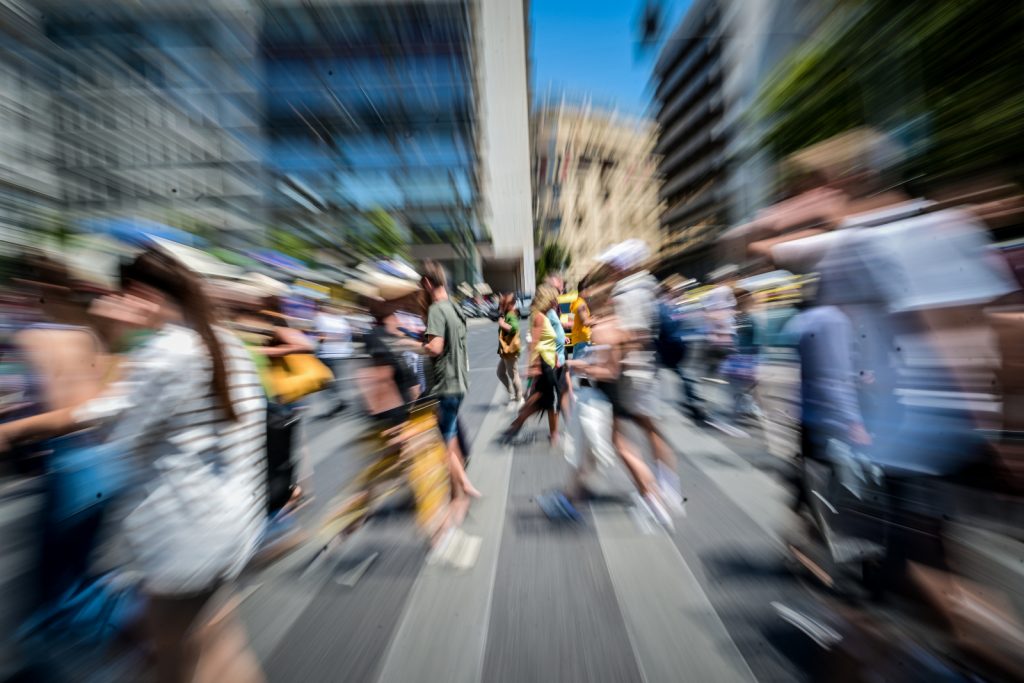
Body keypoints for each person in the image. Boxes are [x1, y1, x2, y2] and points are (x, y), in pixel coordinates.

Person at [0, 247, 267, 683]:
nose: (115, 304)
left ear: (141, 294)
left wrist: (16, 431)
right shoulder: (223, 341)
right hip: (231, 523)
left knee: (174, 663)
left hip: (187, 535)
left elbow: (116, 433)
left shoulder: (168, 351)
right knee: (219, 650)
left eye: (120, 296)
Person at [421, 261, 480, 523]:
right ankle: (463, 486)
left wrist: (414, 344)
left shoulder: (435, 310)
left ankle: (460, 494)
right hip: (460, 383)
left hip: (443, 385)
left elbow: (435, 347)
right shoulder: (456, 308)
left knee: (444, 444)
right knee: (450, 436)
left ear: (426, 284)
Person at [500, 285, 562, 446]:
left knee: (545, 402)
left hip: (549, 363)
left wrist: (554, 356)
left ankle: (519, 423)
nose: (556, 301)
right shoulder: (540, 317)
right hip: (544, 366)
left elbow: (546, 342)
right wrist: (533, 369)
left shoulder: (544, 316)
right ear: (547, 299)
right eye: (554, 298)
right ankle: (551, 435)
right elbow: (534, 344)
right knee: (550, 401)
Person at [314, 301, 353, 418]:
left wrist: (315, 341)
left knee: (324, 381)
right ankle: (339, 402)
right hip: (341, 354)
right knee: (333, 381)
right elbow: (347, 336)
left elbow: (321, 336)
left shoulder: (319, 318)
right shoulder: (342, 320)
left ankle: (337, 403)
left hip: (326, 354)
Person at [496, 293, 523, 407]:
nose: (501, 306)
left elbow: (514, 328)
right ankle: (512, 393)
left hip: (510, 351)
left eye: (503, 304)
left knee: (513, 374)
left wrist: (502, 324)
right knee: (500, 372)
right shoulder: (507, 314)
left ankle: (519, 397)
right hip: (507, 351)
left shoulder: (511, 315)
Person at [570, 279, 592, 358]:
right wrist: (598, 320)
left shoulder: (578, 302)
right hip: (582, 342)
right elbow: (585, 322)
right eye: (589, 290)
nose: (590, 293)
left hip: (580, 341)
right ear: (584, 290)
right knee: (580, 368)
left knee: (581, 368)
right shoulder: (580, 304)